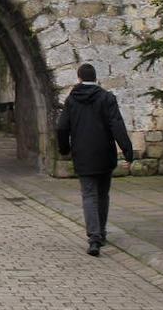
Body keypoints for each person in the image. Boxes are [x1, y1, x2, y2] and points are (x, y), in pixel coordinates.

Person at [56, 63, 134, 257]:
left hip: (82, 153)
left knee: (89, 194)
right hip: (104, 152)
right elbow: (117, 125)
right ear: (95, 77)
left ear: (79, 78)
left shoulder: (72, 100)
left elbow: (62, 127)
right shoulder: (107, 98)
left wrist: (64, 148)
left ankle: (94, 236)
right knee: (102, 194)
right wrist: (127, 150)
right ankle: (101, 232)